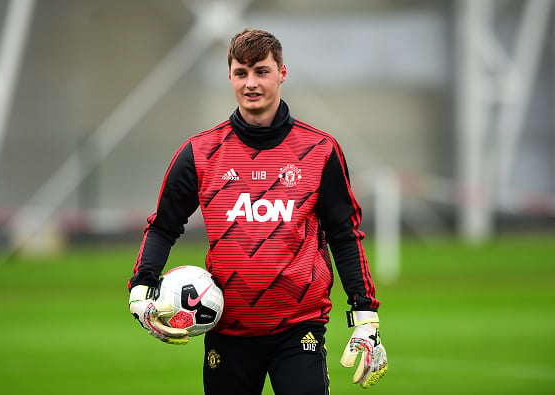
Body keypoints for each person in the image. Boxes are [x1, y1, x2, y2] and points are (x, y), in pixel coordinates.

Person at [128, 28, 387, 394]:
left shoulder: (321, 151)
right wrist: (141, 289)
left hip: (300, 327)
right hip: (227, 330)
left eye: (261, 71)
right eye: (241, 72)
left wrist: (366, 318)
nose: (251, 83)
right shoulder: (199, 154)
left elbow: (345, 235)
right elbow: (163, 226)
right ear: (230, 76)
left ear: (282, 72)